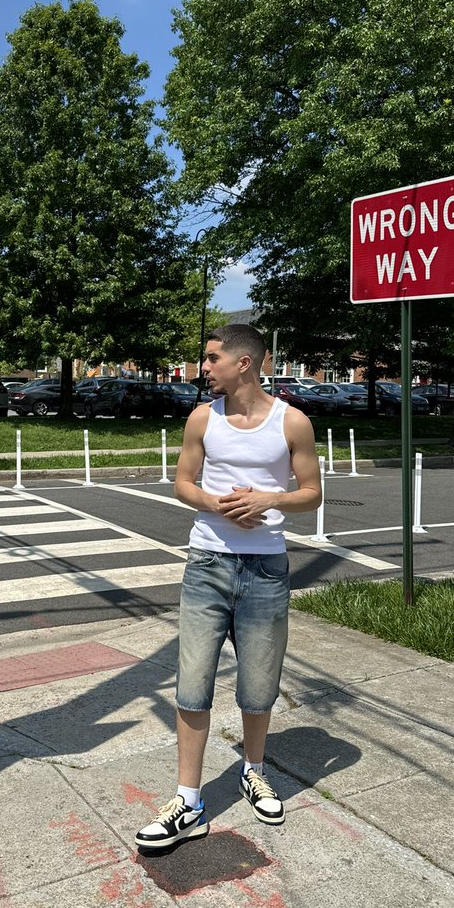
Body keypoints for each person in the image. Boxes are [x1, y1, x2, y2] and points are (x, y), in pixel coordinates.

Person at [135, 324, 321, 850]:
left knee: (259, 686)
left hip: (266, 570)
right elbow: (183, 483)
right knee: (192, 683)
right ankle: (188, 802)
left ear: (244, 363)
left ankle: (253, 770)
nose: (204, 367)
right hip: (207, 565)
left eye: (212, 358)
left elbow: (311, 493)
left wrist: (269, 499)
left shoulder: (293, 422)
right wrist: (217, 505)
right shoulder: (203, 417)